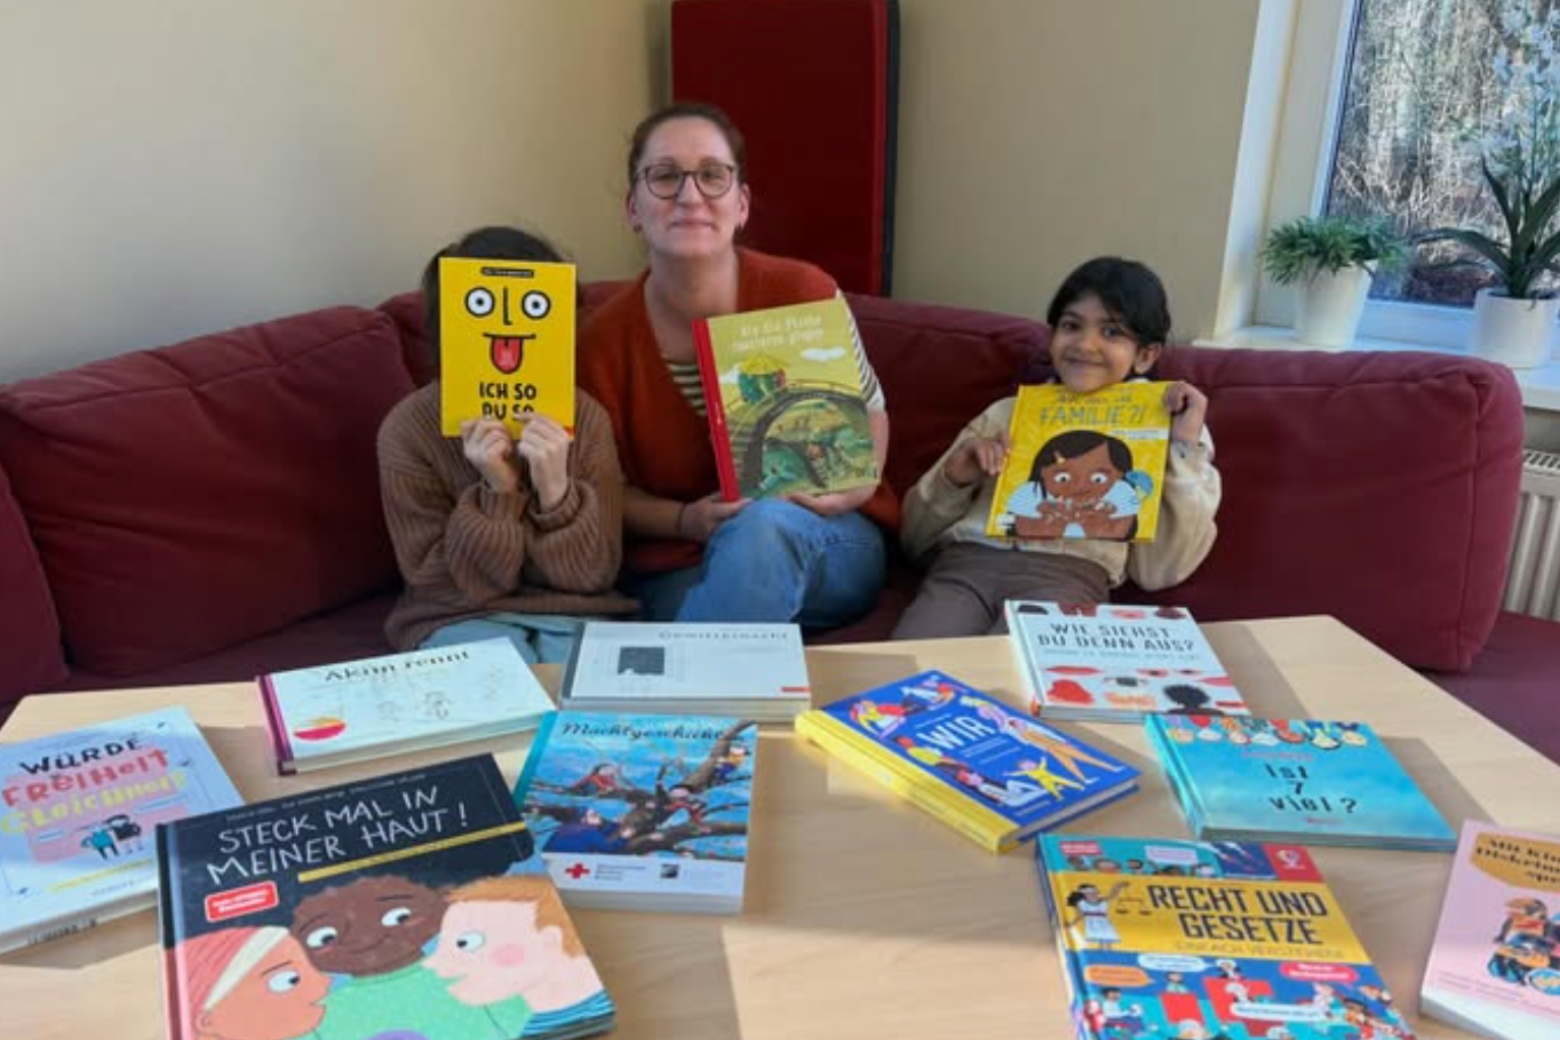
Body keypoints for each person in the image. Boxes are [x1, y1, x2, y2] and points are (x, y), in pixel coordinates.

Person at [578, 102, 896, 626]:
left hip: (826, 538)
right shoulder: (598, 341)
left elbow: (870, 409)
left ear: (741, 204)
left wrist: (856, 488)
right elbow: (602, 490)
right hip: (684, 560)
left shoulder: (803, 292)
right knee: (730, 586)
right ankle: (734, 651)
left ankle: (702, 660)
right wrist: (685, 520)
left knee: (764, 527)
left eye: (712, 175)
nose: (690, 196)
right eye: (665, 176)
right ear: (633, 208)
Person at [893, 257, 1221, 639]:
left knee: (1014, 669)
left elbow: (1159, 571)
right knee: (911, 661)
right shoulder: (1005, 414)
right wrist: (955, 478)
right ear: (1052, 336)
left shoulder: (1170, 427)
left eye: (1111, 331)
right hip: (964, 565)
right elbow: (913, 540)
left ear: (1146, 355)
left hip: (1068, 576)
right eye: (1071, 325)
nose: (1084, 344)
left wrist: (1182, 447)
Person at [377, 226, 636, 661]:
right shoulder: (407, 428)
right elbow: (437, 584)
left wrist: (556, 492)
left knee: (583, 692)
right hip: (457, 617)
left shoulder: (586, 418)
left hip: (576, 616)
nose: (510, 328)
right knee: (497, 685)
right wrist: (498, 491)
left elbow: (594, 575)